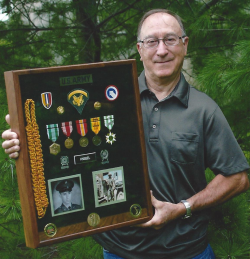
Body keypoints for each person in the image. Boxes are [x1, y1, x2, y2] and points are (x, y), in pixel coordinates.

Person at [2, 8, 250, 259]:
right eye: (152, 41)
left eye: (171, 39)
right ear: (140, 49)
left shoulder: (204, 109)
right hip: (118, 252)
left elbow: (238, 178)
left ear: (184, 45)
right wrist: (25, 139)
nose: (161, 50)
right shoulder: (108, 100)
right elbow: (67, 145)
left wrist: (182, 208)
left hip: (187, 251)